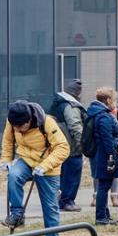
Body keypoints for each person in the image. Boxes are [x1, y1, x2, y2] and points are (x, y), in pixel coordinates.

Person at [1, 99, 69, 236]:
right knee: (14, 176)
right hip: (26, 160)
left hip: (48, 166)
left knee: (50, 209)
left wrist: (45, 166)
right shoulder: (12, 121)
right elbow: (8, 140)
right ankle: (17, 214)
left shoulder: (46, 123)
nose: (17, 130)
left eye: (20, 127)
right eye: (14, 126)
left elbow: (63, 148)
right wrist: (6, 160)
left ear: (29, 121)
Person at [87, 87, 118, 225]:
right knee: (103, 187)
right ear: (108, 100)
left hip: (102, 154)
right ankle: (101, 218)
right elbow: (107, 139)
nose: (115, 104)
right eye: (114, 100)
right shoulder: (103, 116)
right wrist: (113, 155)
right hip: (105, 156)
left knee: (105, 185)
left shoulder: (98, 113)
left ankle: (105, 215)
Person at [49, 79, 87, 212]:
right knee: (72, 175)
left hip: (58, 146)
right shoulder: (71, 106)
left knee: (61, 175)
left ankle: (58, 199)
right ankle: (67, 201)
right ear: (77, 93)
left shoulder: (56, 103)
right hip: (71, 148)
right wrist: (83, 144)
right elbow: (75, 126)